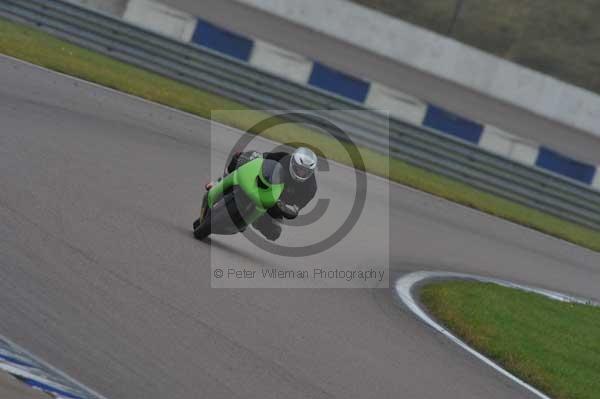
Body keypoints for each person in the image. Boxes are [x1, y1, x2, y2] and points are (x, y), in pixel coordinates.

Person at [206, 147, 318, 241]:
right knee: (238, 158)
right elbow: (261, 159)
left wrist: (288, 209)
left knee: (274, 232)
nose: (301, 173)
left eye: (305, 171)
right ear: (293, 162)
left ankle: (254, 220)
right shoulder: (283, 157)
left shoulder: (310, 188)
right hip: (261, 185)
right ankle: (221, 182)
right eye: (299, 169)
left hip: (275, 204)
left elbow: (296, 208)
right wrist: (248, 158)